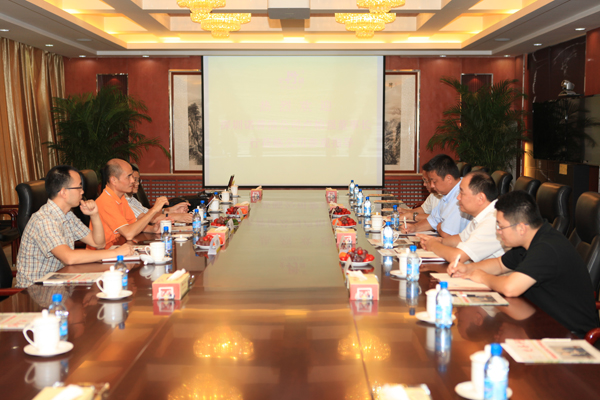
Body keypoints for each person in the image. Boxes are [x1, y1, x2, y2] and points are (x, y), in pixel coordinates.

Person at [448, 190, 599, 337]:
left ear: (521, 228)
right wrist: (467, 269)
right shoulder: (530, 240)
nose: (498, 231)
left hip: (568, 335)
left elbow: (510, 288)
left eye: (501, 226)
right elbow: (499, 264)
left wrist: (481, 276)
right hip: (540, 321)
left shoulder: (546, 248)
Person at [16, 165, 133, 287]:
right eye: (79, 187)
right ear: (64, 192)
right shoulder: (44, 220)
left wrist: (94, 215)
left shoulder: (67, 215)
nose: (82, 191)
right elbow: (69, 257)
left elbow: (98, 243)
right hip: (35, 290)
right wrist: (116, 253)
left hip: (59, 282)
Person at [418, 171, 506, 263]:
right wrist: (438, 240)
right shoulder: (482, 215)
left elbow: (458, 257)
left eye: (462, 193)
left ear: (480, 198)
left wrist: (433, 245)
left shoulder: (493, 221)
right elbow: (460, 238)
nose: (458, 197)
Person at [93, 159, 169, 249]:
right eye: (129, 176)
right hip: (105, 253)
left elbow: (133, 224)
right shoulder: (106, 202)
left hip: (119, 247)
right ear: (114, 180)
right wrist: (154, 210)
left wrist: (153, 229)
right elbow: (128, 234)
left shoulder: (121, 198)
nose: (133, 180)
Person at [403, 154, 471, 237]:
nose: (432, 186)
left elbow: (447, 234)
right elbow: (433, 220)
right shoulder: (447, 194)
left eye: (434, 182)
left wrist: (439, 227)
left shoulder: (460, 195)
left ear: (449, 179)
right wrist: (414, 227)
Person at [126, 164, 192, 223]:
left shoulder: (131, 198)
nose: (137, 183)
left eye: (138, 180)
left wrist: (171, 210)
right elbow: (148, 219)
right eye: (135, 180)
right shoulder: (124, 201)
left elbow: (147, 212)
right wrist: (177, 216)